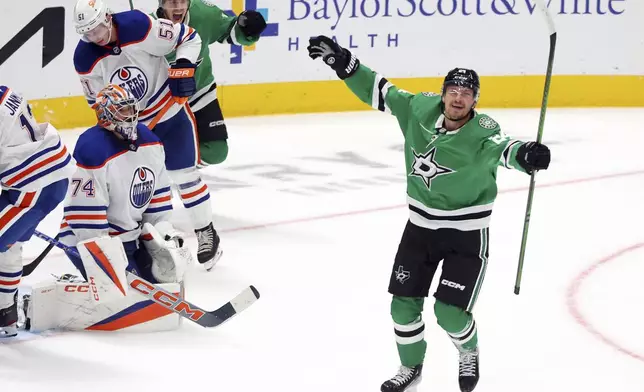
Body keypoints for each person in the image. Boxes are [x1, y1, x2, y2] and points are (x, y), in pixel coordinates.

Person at [307, 36, 551, 392]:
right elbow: (380, 90)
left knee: (449, 313)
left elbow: (504, 149)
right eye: (453, 90)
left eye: (466, 94)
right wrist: (343, 63)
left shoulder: (483, 133)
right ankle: (411, 368)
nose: (458, 98)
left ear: (475, 101)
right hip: (419, 229)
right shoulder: (418, 109)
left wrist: (526, 154)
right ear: (443, 92)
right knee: (402, 308)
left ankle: (468, 350)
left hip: (465, 236)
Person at [20, 84, 192, 333]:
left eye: (132, 108)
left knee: (165, 281)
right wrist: (104, 256)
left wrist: (161, 235)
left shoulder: (151, 143)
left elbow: (159, 196)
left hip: (131, 237)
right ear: (105, 115)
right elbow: (83, 214)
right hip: (88, 239)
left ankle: (108, 284)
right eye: (123, 111)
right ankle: (53, 299)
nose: (131, 115)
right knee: (124, 297)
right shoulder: (92, 148)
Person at [72, 0, 221, 271]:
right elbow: (96, 101)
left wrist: (183, 67)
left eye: (96, 29)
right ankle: (143, 242)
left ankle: (205, 231)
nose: (93, 37)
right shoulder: (84, 57)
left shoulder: (138, 25)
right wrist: (114, 123)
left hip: (170, 114)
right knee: (139, 188)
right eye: (87, 33)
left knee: (184, 176)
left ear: (107, 18)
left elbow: (188, 37)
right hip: (132, 126)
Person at [153, 0, 266, 167]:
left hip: (199, 92)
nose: (178, 7)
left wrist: (246, 26)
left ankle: (172, 171)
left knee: (216, 151)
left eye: (183, 1)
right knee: (145, 150)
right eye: (172, 1)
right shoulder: (146, 27)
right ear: (161, 4)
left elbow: (228, 30)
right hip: (159, 102)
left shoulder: (203, 14)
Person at [0, 85, 74, 337]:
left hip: (33, 186)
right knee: (9, 245)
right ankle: (5, 313)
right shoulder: (5, 91)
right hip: (43, 177)